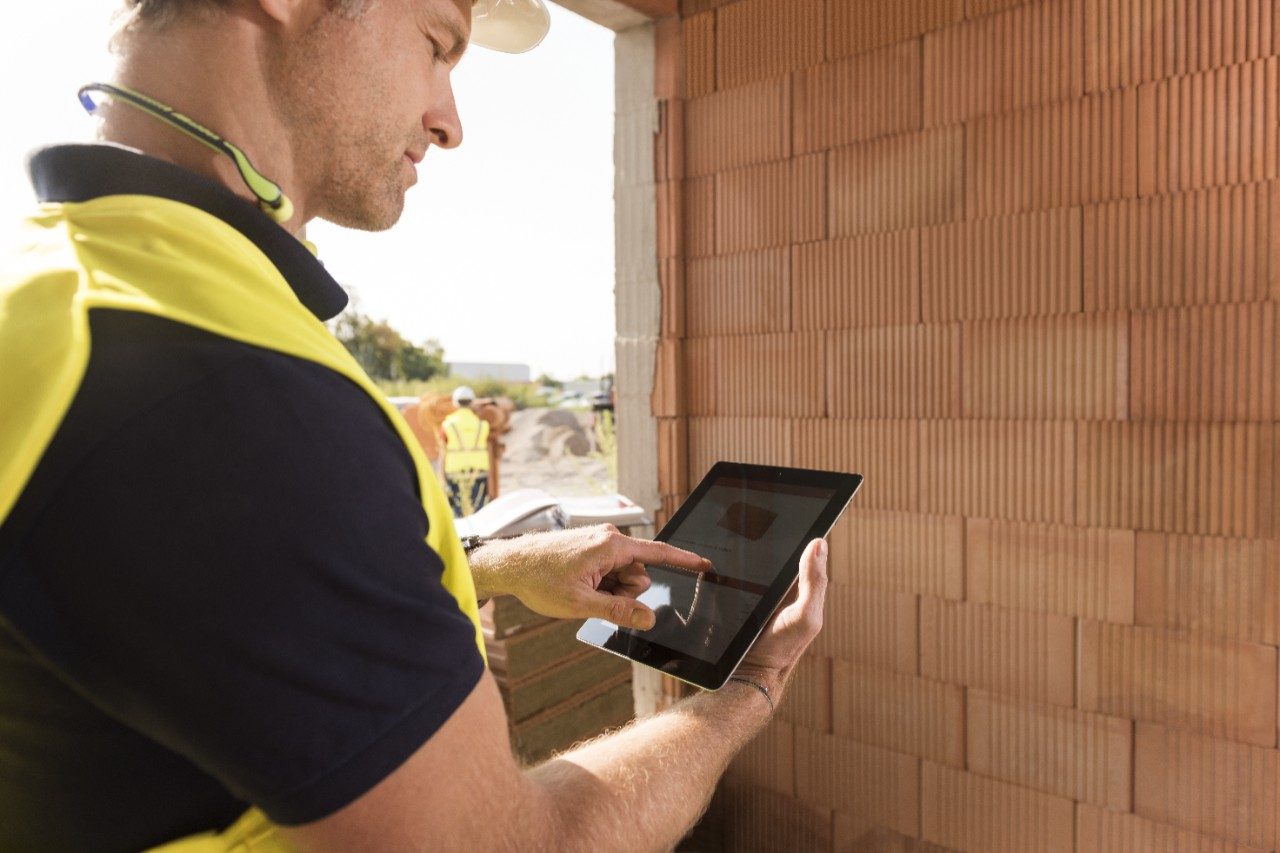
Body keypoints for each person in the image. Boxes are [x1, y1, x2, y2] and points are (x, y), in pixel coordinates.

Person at [0, 1, 831, 850]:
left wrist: (506, 566)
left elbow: (226, 599)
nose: (450, 122)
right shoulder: (222, 388)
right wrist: (747, 690)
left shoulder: (68, 293)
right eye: (438, 45)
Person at [441, 384, 491, 515]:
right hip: (479, 472)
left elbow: (442, 450)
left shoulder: (448, 425)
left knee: (459, 511)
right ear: (472, 402)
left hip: (455, 472)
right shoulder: (483, 425)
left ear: (455, 403)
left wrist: (441, 475)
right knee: (479, 510)